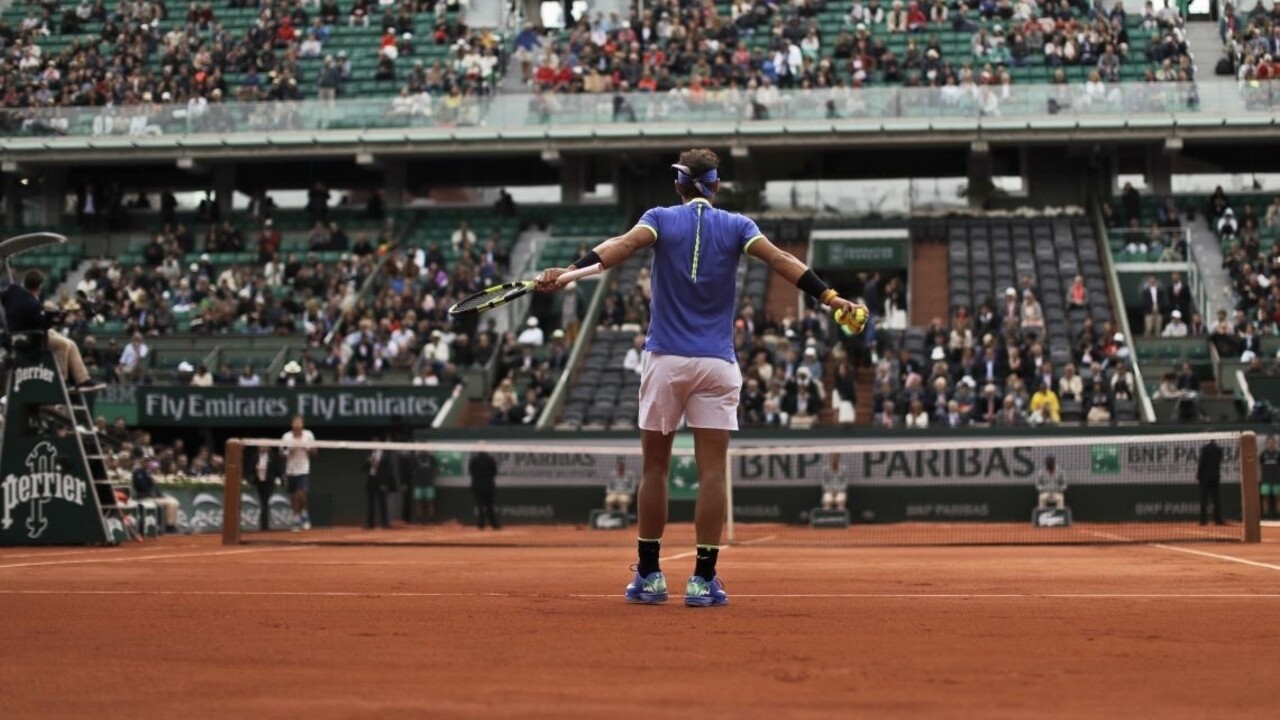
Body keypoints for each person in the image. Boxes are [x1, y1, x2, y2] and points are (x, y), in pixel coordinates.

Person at [534, 148, 865, 607]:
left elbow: (621, 245)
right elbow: (782, 260)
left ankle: (649, 576)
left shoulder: (658, 218)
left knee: (655, 469)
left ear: (678, 185)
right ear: (717, 185)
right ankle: (702, 580)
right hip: (716, 363)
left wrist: (569, 274)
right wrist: (831, 297)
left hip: (665, 360)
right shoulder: (737, 226)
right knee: (712, 472)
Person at [1, 269, 104, 392]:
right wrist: (56, 319)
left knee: (71, 343)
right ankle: (62, 382)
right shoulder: (33, 304)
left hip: (26, 332)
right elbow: (42, 325)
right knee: (64, 345)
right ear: (40, 286)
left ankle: (82, 380)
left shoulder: (13, 290)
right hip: (30, 338)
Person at [281, 415, 316, 531]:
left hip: (303, 469)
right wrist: (289, 450)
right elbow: (281, 454)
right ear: (292, 424)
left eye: (299, 422)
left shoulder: (308, 435)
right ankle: (299, 515)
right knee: (294, 496)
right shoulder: (286, 436)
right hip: (290, 470)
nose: (297, 424)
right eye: (295, 422)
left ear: (302, 424)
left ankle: (301, 516)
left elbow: (315, 453)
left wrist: (307, 447)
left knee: (300, 493)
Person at [131, 458, 181, 533]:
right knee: (170, 504)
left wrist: (161, 495)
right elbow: (143, 488)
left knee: (175, 502)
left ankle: (174, 525)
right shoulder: (138, 473)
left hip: (153, 497)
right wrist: (155, 495)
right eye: (145, 461)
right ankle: (169, 526)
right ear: (142, 462)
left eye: (148, 462)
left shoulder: (147, 473)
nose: (147, 463)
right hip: (144, 498)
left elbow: (154, 487)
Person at [468, 446, 500, 530]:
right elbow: (495, 472)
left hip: (478, 486)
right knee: (489, 505)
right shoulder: (490, 459)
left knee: (480, 505)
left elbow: (471, 472)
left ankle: (481, 525)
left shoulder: (474, 460)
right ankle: (494, 524)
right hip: (488, 485)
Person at [1196, 438, 1225, 526]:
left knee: (1204, 499)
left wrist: (1199, 476)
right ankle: (1218, 520)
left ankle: (1203, 520)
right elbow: (1219, 462)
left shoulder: (1205, 449)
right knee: (1216, 499)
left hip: (1205, 478)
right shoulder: (1219, 450)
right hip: (1215, 477)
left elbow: (1201, 463)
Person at [364, 443, 394, 530]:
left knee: (383, 504)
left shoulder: (386, 456)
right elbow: (364, 468)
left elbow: (388, 470)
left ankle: (384, 524)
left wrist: (384, 483)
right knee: (370, 504)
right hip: (371, 481)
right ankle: (370, 524)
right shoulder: (370, 454)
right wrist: (368, 461)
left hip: (381, 482)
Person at [251, 446, 279, 531]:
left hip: (269, 482)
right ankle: (263, 524)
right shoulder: (255, 457)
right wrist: (251, 479)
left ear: (268, 448)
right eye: (260, 446)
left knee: (265, 502)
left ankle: (265, 524)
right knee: (262, 502)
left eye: (264, 446)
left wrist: (279, 478)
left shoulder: (272, 457)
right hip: (258, 482)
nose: (262, 448)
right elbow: (250, 468)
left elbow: (277, 468)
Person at [1260, 435, 1280, 520]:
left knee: (1278, 498)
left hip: (1277, 480)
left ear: (1275, 443)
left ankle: (1278, 515)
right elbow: (1260, 466)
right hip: (1265, 480)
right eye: (1269, 443)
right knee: (1265, 497)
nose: (1270, 444)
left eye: (1272, 442)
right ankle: (1266, 515)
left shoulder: (1278, 454)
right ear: (1266, 444)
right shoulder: (1263, 455)